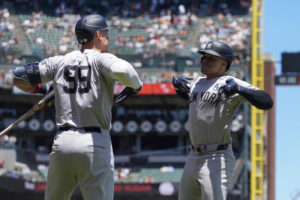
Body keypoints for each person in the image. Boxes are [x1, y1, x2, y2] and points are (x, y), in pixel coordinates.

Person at [11, 14, 142, 200]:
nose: (107, 37)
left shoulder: (59, 61)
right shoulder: (101, 59)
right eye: (105, 33)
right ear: (97, 35)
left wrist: (45, 89)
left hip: (63, 142)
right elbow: (124, 71)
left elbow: (19, 77)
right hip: (94, 142)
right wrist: (136, 86)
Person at [172, 40, 273, 200]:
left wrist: (240, 89)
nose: (205, 60)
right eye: (204, 56)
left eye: (212, 58)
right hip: (192, 156)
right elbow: (200, 106)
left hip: (216, 156)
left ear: (223, 64)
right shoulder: (196, 82)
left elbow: (267, 101)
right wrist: (179, 88)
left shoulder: (229, 83)